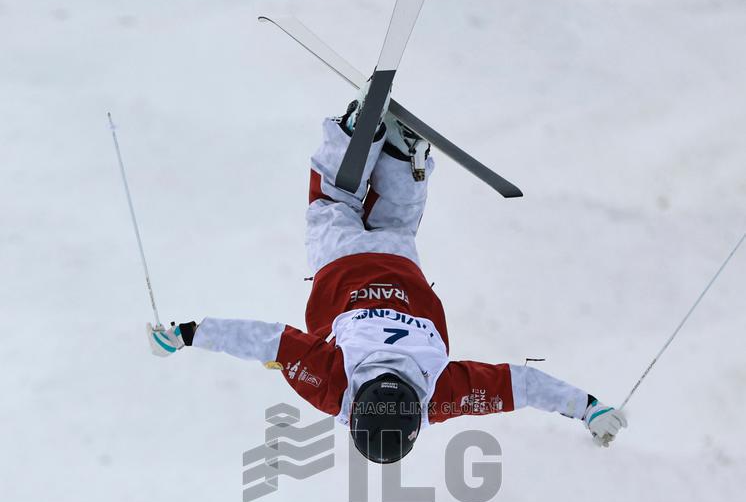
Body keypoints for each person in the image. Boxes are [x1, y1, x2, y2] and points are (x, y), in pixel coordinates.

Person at [148, 89, 627, 462]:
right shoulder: (330, 385)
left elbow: (517, 387)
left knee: (395, 219)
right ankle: (359, 137)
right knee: (334, 202)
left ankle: (402, 159)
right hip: (341, 261)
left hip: (401, 262)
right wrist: (190, 334)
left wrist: (588, 407)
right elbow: (266, 341)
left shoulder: (440, 394)